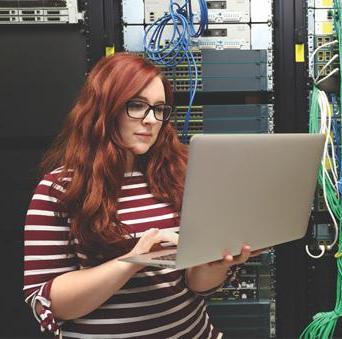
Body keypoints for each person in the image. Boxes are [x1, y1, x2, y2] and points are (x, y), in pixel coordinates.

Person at [23, 52, 257, 338]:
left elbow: (197, 285)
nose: (151, 120)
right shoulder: (58, 188)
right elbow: (52, 303)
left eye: (159, 109)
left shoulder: (180, 175)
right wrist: (134, 260)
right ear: (104, 108)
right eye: (137, 105)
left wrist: (216, 264)